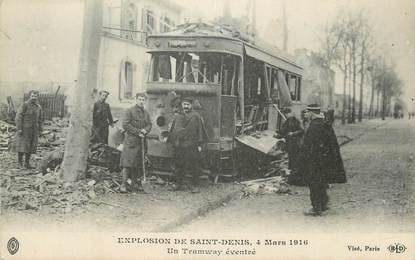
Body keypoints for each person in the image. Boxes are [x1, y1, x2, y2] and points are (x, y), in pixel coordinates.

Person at [302, 104, 346, 216]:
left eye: (307, 112)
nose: (306, 115)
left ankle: (316, 208)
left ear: (312, 113)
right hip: (325, 160)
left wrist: (305, 157)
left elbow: (310, 145)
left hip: (315, 160)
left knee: (314, 183)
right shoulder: (325, 124)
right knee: (322, 182)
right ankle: (323, 204)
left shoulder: (314, 126)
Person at [169, 97, 208, 193]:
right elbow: (174, 129)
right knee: (178, 165)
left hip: (192, 145)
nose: (186, 106)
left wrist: (199, 144)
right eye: (184, 104)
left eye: (188, 104)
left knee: (194, 165)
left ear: (191, 105)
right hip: (180, 145)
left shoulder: (196, 116)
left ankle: (195, 185)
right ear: (182, 105)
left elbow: (199, 131)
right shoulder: (178, 116)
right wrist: (173, 140)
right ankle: (178, 184)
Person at [119, 93, 152, 193]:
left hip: (141, 143)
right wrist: (138, 132)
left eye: (143, 100)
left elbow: (149, 124)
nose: (141, 101)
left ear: (145, 101)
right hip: (131, 142)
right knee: (127, 164)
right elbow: (125, 124)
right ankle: (123, 185)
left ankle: (134, 184)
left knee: (138, 164)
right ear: (136, 99)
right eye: (140, 99)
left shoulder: (146, 113)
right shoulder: (129, 111)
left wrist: (145, 131)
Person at [14, 90, 43, 169]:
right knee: (22, 146)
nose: (34, 97)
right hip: (24, 130)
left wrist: (40, 129)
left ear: (37, 97)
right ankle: (19, 163)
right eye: (32, 96)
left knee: (30, 147)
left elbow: (40, 119)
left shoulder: (38, 107)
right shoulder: (25, 105)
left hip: (34, 130)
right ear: (29, 96)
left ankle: (27, 163)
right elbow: (18, 117)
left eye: (35, 96)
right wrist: (19, 128)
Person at [279, 108, 305, 186]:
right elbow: (283, 131)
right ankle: (292, 178)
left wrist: (293, 133)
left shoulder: (296, 120)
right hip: (290, 145)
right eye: (285, 114)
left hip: (297, 144)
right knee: (291, 160)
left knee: (296, 161)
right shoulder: (287, 121)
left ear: (290, 113)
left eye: (286, 114)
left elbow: (302, 130)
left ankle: (296, 179)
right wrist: (278, 135)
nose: (286, 116)